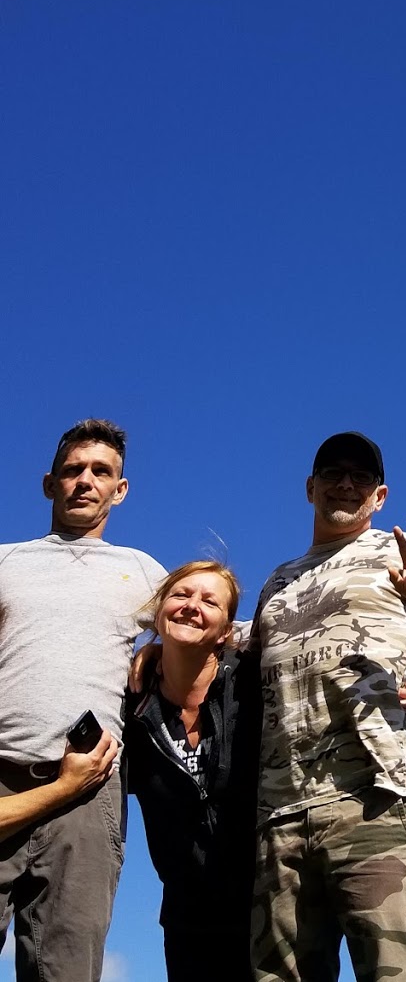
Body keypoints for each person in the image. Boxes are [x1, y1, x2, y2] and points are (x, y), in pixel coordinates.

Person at [250, 431, 406, 982]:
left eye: (360, 477)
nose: (346, 484)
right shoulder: (277, 583)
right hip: (279, 813)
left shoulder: (401, 554)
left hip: (374, 798)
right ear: (310, 488)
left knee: (389, 973)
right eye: (333, 473)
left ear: (379, 496)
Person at [0, 419, 165, 982]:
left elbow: (212, 629)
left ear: (120, 489)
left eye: (101, 472)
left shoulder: (140, 570)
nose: (84, 481)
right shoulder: (6, 561)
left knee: (66, 966)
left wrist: (158, 648)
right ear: (49, 484)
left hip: (89, 789)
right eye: (73, 470)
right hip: (1, 774)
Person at [125, 560, 260, 982]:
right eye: (181, 595)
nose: (191, 606)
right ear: (159, 609)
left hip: (269, 903)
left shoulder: (255, 684)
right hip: (187, 917)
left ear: (227, 629)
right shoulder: (129, 703)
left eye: (209, 601)